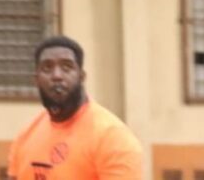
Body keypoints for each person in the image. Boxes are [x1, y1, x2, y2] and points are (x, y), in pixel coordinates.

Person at [8, 35, 143, 180]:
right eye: (47, 68)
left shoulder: (113, 138)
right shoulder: (25, 136)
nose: (57, 75)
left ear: (81, 76)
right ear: (36, 80)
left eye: (67, 67)